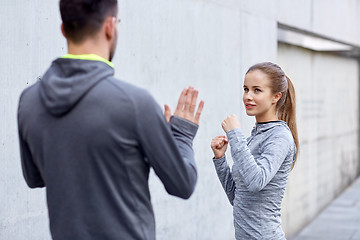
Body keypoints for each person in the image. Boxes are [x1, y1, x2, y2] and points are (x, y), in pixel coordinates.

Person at [17, 0, 204, 239]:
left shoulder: (29, 101)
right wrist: (181, 134)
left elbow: (34, 178)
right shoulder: (135, 103)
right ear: (109, 26)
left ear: (63, 29)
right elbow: (183, 184)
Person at [211, 62, 299, 239]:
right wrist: (220, 160)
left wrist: (235, 135)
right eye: (245, 89)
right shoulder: (253, 139)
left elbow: (256, 181)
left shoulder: (280, 137)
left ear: (276, 96)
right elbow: (237, 198)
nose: (247, 96)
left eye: (257, 90)